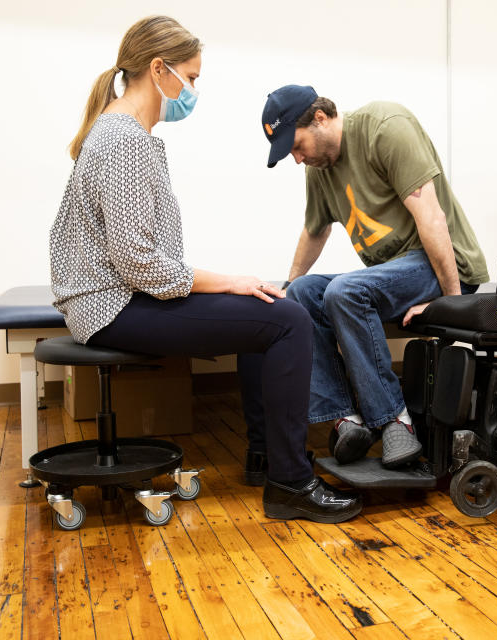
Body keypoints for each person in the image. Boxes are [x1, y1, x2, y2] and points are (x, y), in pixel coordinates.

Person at [49, 17, 360, 523]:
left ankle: (268, 459)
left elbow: (143, 257)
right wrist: (229, 280)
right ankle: (291, 483)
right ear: (158, 70)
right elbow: (139, 262)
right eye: (190, 78)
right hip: (113, 304)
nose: (192, 90)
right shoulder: (122, 139)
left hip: (119, 297)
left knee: (267, 306)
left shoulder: (127, 134)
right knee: (289, 320)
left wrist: (236, 285)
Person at [259, 85, 489, 469]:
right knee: (303, 294)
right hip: (394, 274)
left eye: (297, 147)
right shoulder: (321, 168)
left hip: (443, 265)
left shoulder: (386, 127)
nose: (297, 160)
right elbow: (315, 230)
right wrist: (286, 287)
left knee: (345, 291)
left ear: (319, 118)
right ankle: (346, 421)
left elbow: (430, 217)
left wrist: (454, 305)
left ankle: (396, 423)